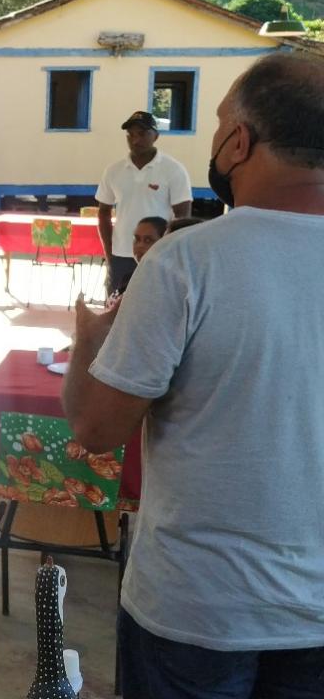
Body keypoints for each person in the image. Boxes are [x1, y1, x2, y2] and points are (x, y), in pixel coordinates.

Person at [62, 53, 324, 698]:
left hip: (196, 611)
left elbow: (96, 430)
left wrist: (88, 340)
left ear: (239, 142)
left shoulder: (186, 262)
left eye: (217, 124)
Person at [96, 111, 192, 296]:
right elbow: (103, 212)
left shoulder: (173, 170)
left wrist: (171, 254)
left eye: (142, 134)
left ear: (155, 136)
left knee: (155, 306)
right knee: (116, 309)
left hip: (158, 256)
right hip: (121, 256)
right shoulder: (113, 171)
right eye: (130, 134)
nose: (135, 140)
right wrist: (110, 253)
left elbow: (183, 217)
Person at [106, 216, 167, 307]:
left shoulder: (161, 285)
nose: (140, 245)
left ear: (164, 243)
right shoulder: (130, 278)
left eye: (148, 240)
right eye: (137, 239)